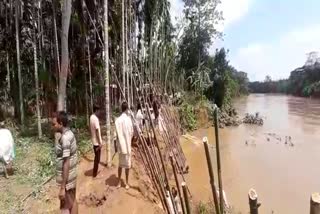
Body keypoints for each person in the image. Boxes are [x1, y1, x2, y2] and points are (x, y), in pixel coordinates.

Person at [53, 111, 78, 214]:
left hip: (67, 181)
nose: (53, 126)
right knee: (72, 202)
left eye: (54, 124)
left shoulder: (65, 138)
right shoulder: (69, 133)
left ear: (61, 124)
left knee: (64, 207)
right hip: (71, 177)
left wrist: (63, 187)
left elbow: (66, 162)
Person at [115, 102, 134, 189]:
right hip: (127, 145)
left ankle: (119, 182)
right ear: (127, 109)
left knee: (120, 165)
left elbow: (115, 136)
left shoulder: (117, 120)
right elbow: (132, 132)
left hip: (121, 146)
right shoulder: (129, 120)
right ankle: (126, 183)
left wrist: (116, 146)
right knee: (127, 166)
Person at [89, 105, 103, 178]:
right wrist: (100, 142)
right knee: (97, 159)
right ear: (96, 110)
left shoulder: (91, 117)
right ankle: (95, 174)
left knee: (96, 157)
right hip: (97, 142)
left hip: (94, 140)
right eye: (99, 111)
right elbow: (97, 131)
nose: (99, 112)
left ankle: (95, 173)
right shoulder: (95, 119)